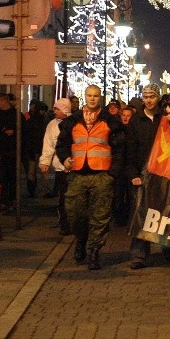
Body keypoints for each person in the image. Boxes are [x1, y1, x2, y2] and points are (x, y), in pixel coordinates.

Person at [55, 85, 125, 270]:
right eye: (89, 95)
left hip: (102, 175)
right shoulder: (73, 121)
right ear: (84, 96)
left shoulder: (110, 121)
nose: (92, 99)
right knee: (75, 213)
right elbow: (61, 144)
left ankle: (94, 251)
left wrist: (112, 174)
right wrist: (65, 159)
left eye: (95, 96)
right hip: (78, 174)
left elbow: (119, 150)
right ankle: (81, 239)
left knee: (100, 216)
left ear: (100, 97)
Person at [126, 83, 165, 267]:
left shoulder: (164, 118)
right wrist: (133, 173)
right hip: (142, 171)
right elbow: (130, 149)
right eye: (146, 97)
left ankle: (168, 249)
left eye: (152, 96)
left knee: (165, 211)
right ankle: (139, 254)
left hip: (163, 171)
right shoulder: (136, 121)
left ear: (158, 98)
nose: (149, 100)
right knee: (140, 213)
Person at [39, 99, 73, 235]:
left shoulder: (74, 123)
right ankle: (65, 225)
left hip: (74, 168)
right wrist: (45, 162)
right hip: (60, 168)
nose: (54, 111)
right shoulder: (52, 125)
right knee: (63, 198)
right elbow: (48, 145)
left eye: (57, 109)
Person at [0, 92, 24, 210]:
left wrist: (13, 132)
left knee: (13, 176)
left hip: (13, 150)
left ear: (5, 101)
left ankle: (13, 199)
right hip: (0, 151)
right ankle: (4, 200)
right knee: (2, 177)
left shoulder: (16, 115)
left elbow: (23, 131)